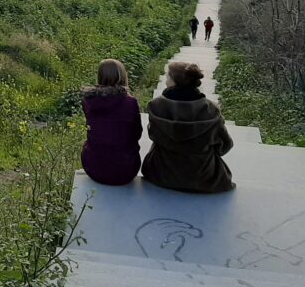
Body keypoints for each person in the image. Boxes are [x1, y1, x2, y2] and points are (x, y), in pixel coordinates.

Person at [142, 62, 234, 194]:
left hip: (161, 174)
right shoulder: (211, 110)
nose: (165, 79)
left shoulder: (156, 106)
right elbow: (226, 145)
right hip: (204, 178)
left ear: (174, 82)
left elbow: (153, 135)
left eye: (168, 76)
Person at [80, 59, 143, 186]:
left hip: (93, 168)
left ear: (100, 76)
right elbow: (137, 133)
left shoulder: (88, 100)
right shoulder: (130, 103)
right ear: (122, 76)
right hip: (125, 170)